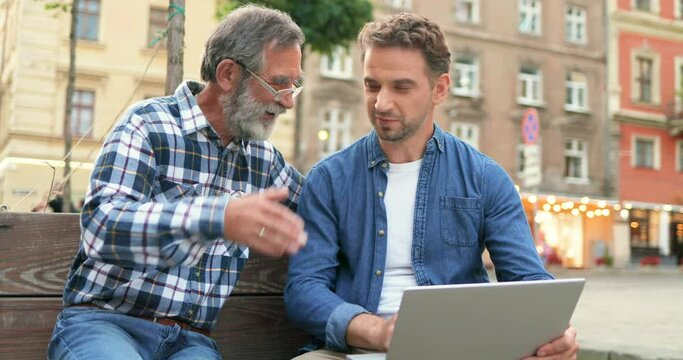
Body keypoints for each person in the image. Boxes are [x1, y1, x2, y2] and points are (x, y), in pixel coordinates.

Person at [285, 13, 578, 360]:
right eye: (372, 85)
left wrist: (557, 332)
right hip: (353, 350)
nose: (381, 103)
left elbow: (530, 281)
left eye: (401, 87)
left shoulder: (485, 178)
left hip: (460, 351)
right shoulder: (330, 179)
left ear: (439, 89)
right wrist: (377, 332)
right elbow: (304, 289)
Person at [47, 5, 307, 360]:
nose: (289, 101)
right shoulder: (148, 124)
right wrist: (216, 217)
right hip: (107, 324)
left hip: (191, 342)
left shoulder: (263, 159)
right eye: (278, 84)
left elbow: (325, 205)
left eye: (295, 86)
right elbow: (102, 228)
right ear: (228, 73)